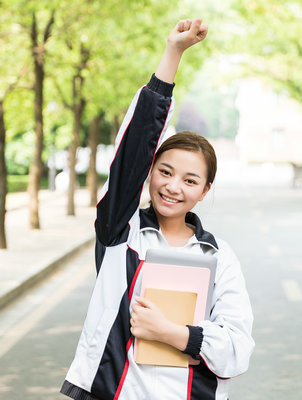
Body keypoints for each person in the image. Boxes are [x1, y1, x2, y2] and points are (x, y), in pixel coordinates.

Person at [60, 18, 254, 400]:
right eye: (164, 172)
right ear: (149, 174)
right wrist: (173, 52)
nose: (173, 186)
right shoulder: (122, 234)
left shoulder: (219, 258)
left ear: (205, 191)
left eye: (190, 180)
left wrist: (169, 332)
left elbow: (236, 349)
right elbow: (134, 148)